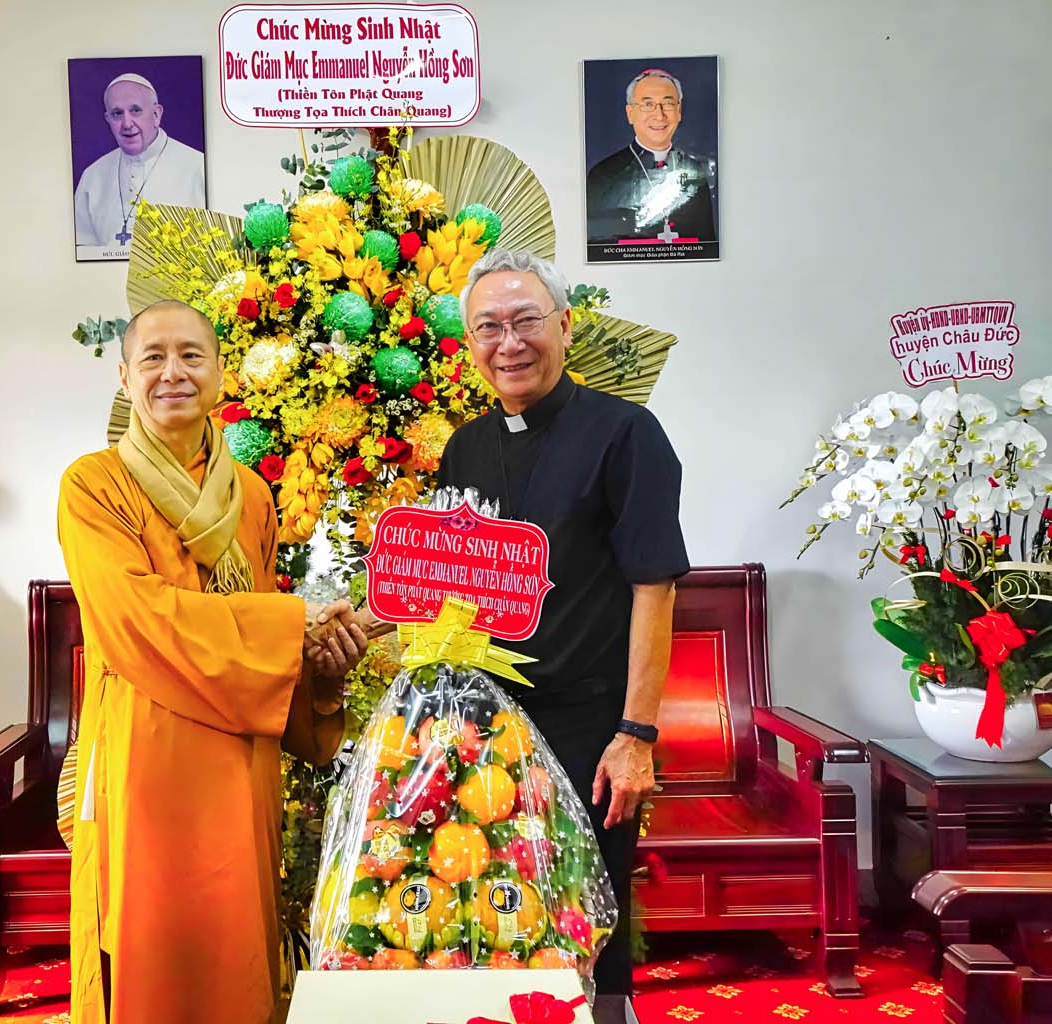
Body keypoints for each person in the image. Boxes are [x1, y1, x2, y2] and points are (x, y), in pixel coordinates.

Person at [58, 300, 379, 1023]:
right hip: (147, 751)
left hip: (239, 751)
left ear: (221, 374)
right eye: (153, 357)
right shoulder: (93, 486)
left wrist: (319, 666)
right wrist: (290, 627)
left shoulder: (252, 496)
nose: (172, 372)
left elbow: (257, 632)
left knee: (236, 945)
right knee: (154, 948)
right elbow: (134, 620)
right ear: (124, 377)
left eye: (191, 355)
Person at [436, 249, 689, 995]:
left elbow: (654, 588)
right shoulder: (465, 447)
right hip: (485, 726)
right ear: (470, 342)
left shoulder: (626, 434)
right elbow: (453, 590)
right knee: (488, 908)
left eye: (526, 321)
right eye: (488, 327)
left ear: (566, 325)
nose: (508, 343)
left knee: (587, 919)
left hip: (589, 730)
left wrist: (635, 735)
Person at [73, 74, 206, 253]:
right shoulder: (92, 176)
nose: (127, 124)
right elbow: (82, 251)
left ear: (156, 115)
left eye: (135, 110)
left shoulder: (198, 167)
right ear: (108, 119)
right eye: (117, 114)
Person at [585, 68, 716, 246]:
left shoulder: (694, 171)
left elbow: (707, 247)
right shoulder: (602, 175)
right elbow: (599, 249)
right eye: (648, 104)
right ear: (630, 114)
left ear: (679, 111)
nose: (659, 115)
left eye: (668, 104)